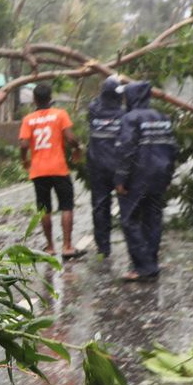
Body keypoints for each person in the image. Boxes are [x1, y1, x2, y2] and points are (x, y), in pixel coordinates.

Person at [113, 80, 177, 281]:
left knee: (129, 219)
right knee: (153, 219)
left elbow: (126, 150)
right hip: (159, 176)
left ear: (133, 96)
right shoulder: (163, 118)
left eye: (126, 95)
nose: (124, 99)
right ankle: (150, 261)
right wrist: (168, 176)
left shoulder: (130, 119)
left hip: (138, 177)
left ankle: (144, 266)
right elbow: (172, 149)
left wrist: (120, 179)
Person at [18, 83, 83, 259]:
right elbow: (70, 138)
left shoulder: (28, 119)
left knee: (44, 208)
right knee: (66, 206)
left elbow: (24, 144)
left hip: (38, 171)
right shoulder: (60, 114)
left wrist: (24, 160)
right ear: (50, 98)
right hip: (59, 169)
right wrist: (77, 148)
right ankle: (67, 246)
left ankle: (50, 247)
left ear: (34, 100)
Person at [85, 76, 126, 259]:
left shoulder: (94, 111)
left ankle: (103, 247)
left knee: (100, 207)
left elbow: (94, 102)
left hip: (98, 167)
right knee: (126, 207)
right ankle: (134, 246)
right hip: (119, 169)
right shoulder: (124, 114)